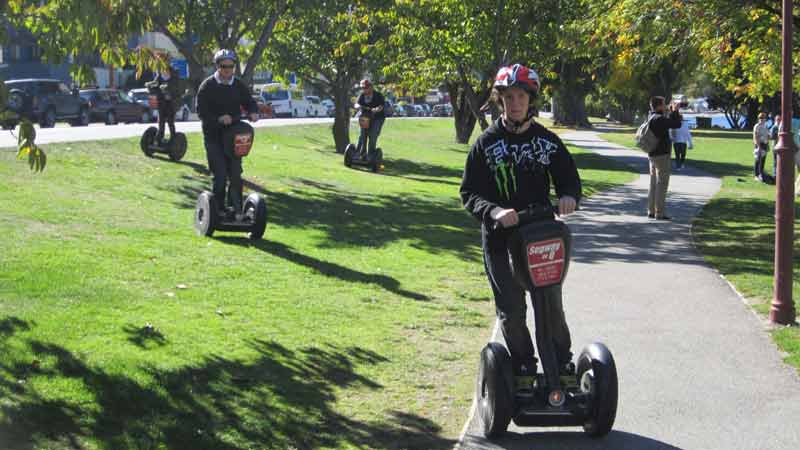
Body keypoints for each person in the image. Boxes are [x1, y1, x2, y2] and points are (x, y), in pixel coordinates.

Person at [460, 64, 582, 386]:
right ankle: (524, 367)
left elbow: (569, 178)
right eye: (509, 97)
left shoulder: (547, 141)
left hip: (540, 236)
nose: (515, 103)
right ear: (500, 100)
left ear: (531, 100)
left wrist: (569, 196)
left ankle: (561, 365)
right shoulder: (485, 144)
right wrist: (494, 211)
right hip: (501, 240)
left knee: (550, 303)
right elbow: (469, 192)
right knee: (512, 309)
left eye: (521, 97)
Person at [196, 49, 259, 219]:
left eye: (231, 66)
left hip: (233, 138)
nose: (227, 70)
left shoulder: (238, 85)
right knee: (221, 175)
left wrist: (253, 112)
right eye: (224, 66)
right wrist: (218, 119)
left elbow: (249, 102)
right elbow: (201, 112)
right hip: (214, 138)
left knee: (236, 175)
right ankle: (219, 211)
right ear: (217, 66)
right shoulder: (207, 86)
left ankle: (236, 210)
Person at [645, 97, 682, 220]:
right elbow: (676, 124)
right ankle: (659, 212)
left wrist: (671, 112)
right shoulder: (660, 119)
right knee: (662, 184)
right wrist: (675, 111)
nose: (666, 105)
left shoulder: (651, 117)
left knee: (653, 184)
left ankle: (651, 210)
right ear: (659, 106)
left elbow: (669, 122)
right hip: (662, 155)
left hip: (652, 154)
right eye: (664, 104)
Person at [145, 63, 180, 144]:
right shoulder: (160, 75)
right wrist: (149, 85)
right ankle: (159, 139)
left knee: (170, 122)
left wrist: (167, 88)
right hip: (162, 103)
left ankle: (173, 139)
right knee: (161, 122)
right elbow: (155, 83)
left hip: (171, 103)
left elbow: (175, 87)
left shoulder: (174, 75)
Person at [354, 79, 385, 157]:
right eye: (362, 88)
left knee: (373, 135)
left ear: (371, 87)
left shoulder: (378, 95)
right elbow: (356, 104)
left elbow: (381, 106)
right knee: (362, 135)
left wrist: (376, 109)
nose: (364, 89)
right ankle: (359, 153)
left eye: (365, 88)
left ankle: (371, 155)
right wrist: (358, 106)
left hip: (377, 118)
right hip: (365, 117)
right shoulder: (362, 95)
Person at [753, 112, 770, 182]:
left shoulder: (765, 126)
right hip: (759, 144)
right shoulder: (757, 126)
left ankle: (761, 173)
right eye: (761, 118)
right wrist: (758, 146)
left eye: (763, 118)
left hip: (765, 144)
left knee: (763, 160)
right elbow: (755, 137)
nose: (762, 119)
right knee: (758, 160)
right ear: (759, 119)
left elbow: (767, 135)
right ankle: (756, 175)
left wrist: (767, 144)